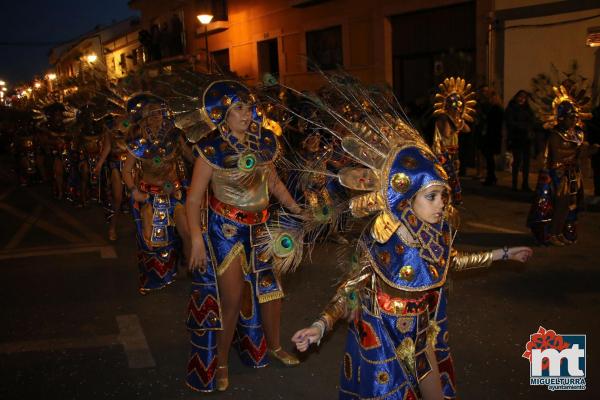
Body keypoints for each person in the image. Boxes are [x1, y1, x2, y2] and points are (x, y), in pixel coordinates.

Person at [292, 143, 532, 400]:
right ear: (408, 198)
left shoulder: (433, 236)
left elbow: (453, 262)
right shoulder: (382, 241)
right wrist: (321, 325)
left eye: (443, 196)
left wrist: (504, 254)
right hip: (384, 335)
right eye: (431, 197)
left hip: (419, 333)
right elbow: (351, 288)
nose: (441, 205)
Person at [185, 80, 303, 392]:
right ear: (222, 114)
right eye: (239, 108)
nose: (247, 113)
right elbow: (194, 200)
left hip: (261, 227)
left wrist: (297, 208)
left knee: (271, 291)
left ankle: (275, 346)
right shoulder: (210, 149)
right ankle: (220, 361)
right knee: (232, 299)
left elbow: (274, 184)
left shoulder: (264, 141)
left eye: (249, 107)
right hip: (226, 231)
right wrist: (197, 239)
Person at [121, 93, 192, 293]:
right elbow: (126, 170)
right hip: (149, 196)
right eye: (151, 114)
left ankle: (191, 268)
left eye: (159, 113)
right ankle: (154, 276)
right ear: (144, 118)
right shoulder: (138, 142)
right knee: (151, 241)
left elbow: (190, 157)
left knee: (187, 232)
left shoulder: (174, 136)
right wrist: (134, 191)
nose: (156, 117)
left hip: (174, 193)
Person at [528, 84, 597, 246]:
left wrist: (589, 151)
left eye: (574, 117)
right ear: (561, 118)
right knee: (561, 204)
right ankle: (552, 233)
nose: (573, 120)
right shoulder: (555, 135)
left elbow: (579, 152)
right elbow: (554, 158)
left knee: (572, 205)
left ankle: (564, 232)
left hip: (574, 174)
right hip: (558, 175)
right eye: (569, 117)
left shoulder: (577, 134)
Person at [432, 77, 477, 205]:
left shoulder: (455, 119)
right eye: (454, 105)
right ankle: (444, 198)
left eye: (459, 106)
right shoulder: (444, 118)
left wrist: (460, 121)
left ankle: (450, 198)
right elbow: (446, 134)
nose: (457, 109)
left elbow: (467, 129)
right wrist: (456, 125)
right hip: (443, 152)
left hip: (453, 151)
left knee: (454, 175)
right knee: (445, 176)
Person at [94, 114, 130, 241]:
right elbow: (107, 147)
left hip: (132, 164)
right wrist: (99, 164)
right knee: (118, 198)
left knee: (138, 199)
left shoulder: (134, 122)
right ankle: (112, 228)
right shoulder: (110, 126)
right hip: (115, 164)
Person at [505, 90, 535, 191]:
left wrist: (530, 129)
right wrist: (523, 127)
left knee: (526, 162)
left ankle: (525, 184)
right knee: (517, 161)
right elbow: (510, 122)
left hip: (526, 139)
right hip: (516, 138)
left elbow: (532, 120)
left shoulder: (527, 109)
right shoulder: (512, 108)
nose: (522, 99)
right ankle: (514, 183)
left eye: (524, 97)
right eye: (520, 96)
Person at [478, 87, 504, 186]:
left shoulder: (497, 109)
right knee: (489, 157)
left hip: (492, 135)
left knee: (489, 157)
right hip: (491, 135)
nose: (490, 100)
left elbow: (494, 123)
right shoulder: (494, 108)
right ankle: (491, 176)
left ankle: (491, 177)